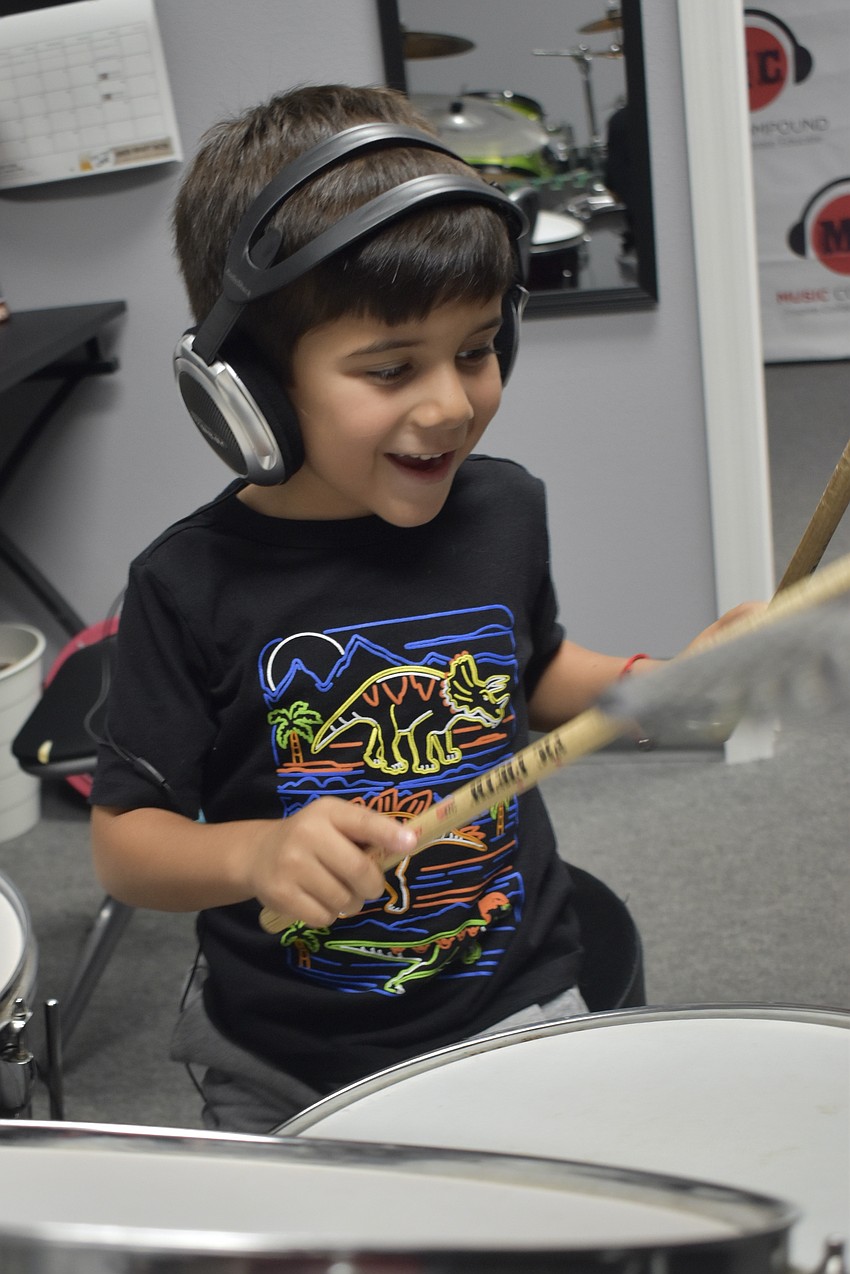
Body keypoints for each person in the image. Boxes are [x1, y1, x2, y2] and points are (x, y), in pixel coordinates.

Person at [90, 83, 752, 1135]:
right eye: (391, 367)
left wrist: (654, 686)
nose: (450, 403)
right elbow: (127, 841)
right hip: (282, 1056)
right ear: (251, 390)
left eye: (478, 350)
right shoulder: (187, 586)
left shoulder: (502, 506)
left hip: (517, 997)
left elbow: (531, 675)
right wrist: (255, 854)